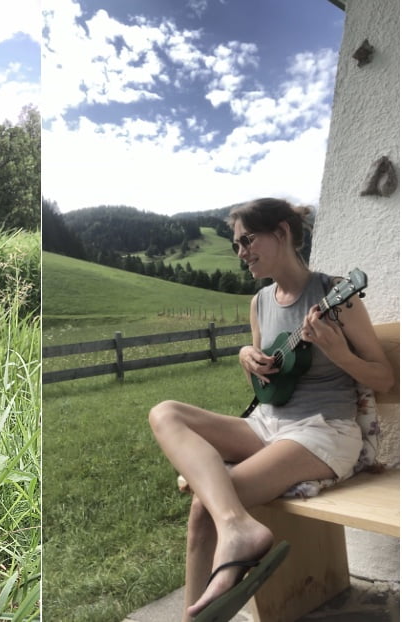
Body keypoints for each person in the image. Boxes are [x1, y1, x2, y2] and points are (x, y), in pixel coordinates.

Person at [147, 198, 392, 621]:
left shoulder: (335, 294)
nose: (241, 252)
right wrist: (249, 359)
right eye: (236, 245)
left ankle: (196, 609)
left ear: (281, 232)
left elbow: (385, 379)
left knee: (206, 505)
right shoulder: (259, 302)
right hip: (269, 424)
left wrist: (338, 352)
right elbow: (269, 388)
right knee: (165, 412)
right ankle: (235, 533)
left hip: (323, 430)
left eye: (247, 240)